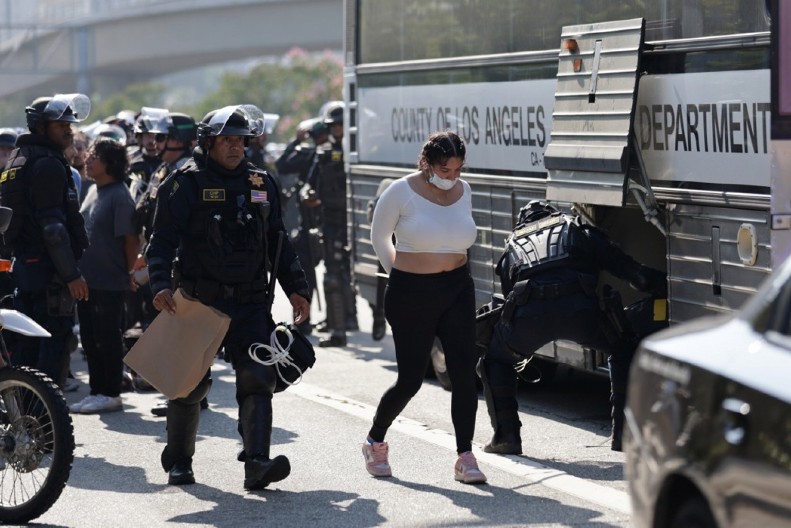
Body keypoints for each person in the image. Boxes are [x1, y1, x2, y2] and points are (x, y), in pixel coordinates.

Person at [145, 104, 311, 489]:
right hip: (199, 301)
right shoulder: (184, 182)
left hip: (251, 302)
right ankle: (180, 462)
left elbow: (279, 242)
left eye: (241, 140)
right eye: (227, 140)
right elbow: (161, 241)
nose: (236, 147)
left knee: (258, 377)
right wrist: (160, 285)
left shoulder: (261, 182)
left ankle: (257, 464)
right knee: (191, 384)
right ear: (208, 142)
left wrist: (297, 289)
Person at [478, 200, 667, 454]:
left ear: (522, 223)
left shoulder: (512, 246)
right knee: (623, 347)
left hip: (529, 318)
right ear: (555, 215)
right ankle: (625, 435)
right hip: (580, 313)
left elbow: (509, 296)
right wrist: (672, 286)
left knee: (495, 360)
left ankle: (506, 437)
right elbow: (637, 276)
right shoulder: (580, 231)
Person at [365, 130, 486, 484]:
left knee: (465, 375)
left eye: (458, 170)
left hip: (457, 289)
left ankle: (466, 456)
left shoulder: (465, 192)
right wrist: (400, 276)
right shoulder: (401, 191)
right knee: (411, 380)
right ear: (428, 164)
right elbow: (378, 237)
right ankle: (375, 440)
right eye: (446, 170)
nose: (452, 178)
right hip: (411, 293)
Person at [0, 93, 91, 388]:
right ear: (40, 126)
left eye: (69, 123)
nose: (67, 129)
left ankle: (28, 421)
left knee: (26, 349)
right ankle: (48, 427)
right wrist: (71, 274)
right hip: (49, 273)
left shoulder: (17, 159)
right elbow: (52, 228)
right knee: (53, 346)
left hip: (25, 266)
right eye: (59, 124)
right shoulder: (48, 163)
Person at [69, 138, 139, 414]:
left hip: (109, 281)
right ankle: (98, 390)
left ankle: (110, 392)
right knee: (90, 338)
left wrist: (127, 271)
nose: (87, 158)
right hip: (88, 281)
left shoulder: (120, 195)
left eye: (94, 155)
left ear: (110, 162)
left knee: (106, 338)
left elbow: (131, 240)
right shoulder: (95, 190)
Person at [305, 102, 357, 347]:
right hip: (332, 221)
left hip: (357, 222)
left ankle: (360, 319)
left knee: (368, 275)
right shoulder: (323, 153)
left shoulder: (361, 150)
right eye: (333, 125)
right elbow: (309, 184)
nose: (337, 129)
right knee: (333, 276)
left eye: (341, 124)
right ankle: (338, 330)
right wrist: (309, 194)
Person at [275, 117, 329, 335]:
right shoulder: (310, 155)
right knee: (305, 271)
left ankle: (341, 321)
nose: (325, 140)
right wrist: (296, 141)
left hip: (331, 222)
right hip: (310, 224)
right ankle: (304, 319)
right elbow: (282, 164)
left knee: (337, 274)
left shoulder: (337, 155)